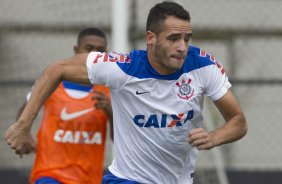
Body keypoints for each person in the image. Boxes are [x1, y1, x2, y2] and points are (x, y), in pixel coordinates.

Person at [5, 2, 247, 184]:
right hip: (126, 179)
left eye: (186, 38)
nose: (182, 47)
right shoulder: (122, 68)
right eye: (173, 38)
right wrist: (24, 124)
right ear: (151, 39)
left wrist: (215, 137)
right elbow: (55, 70)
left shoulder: (204, 66)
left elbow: (238, 121)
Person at [13, 28, 113, 184]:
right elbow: (26, 106)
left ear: (106, 54)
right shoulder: (53, 84)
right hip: (50, 174)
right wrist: (24, 134)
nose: (94, 54)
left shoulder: (108, 92)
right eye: (88, 48)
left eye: (100, 50)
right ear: (76, 50)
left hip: (88, 178)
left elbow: (118, 139)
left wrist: (111, 113)